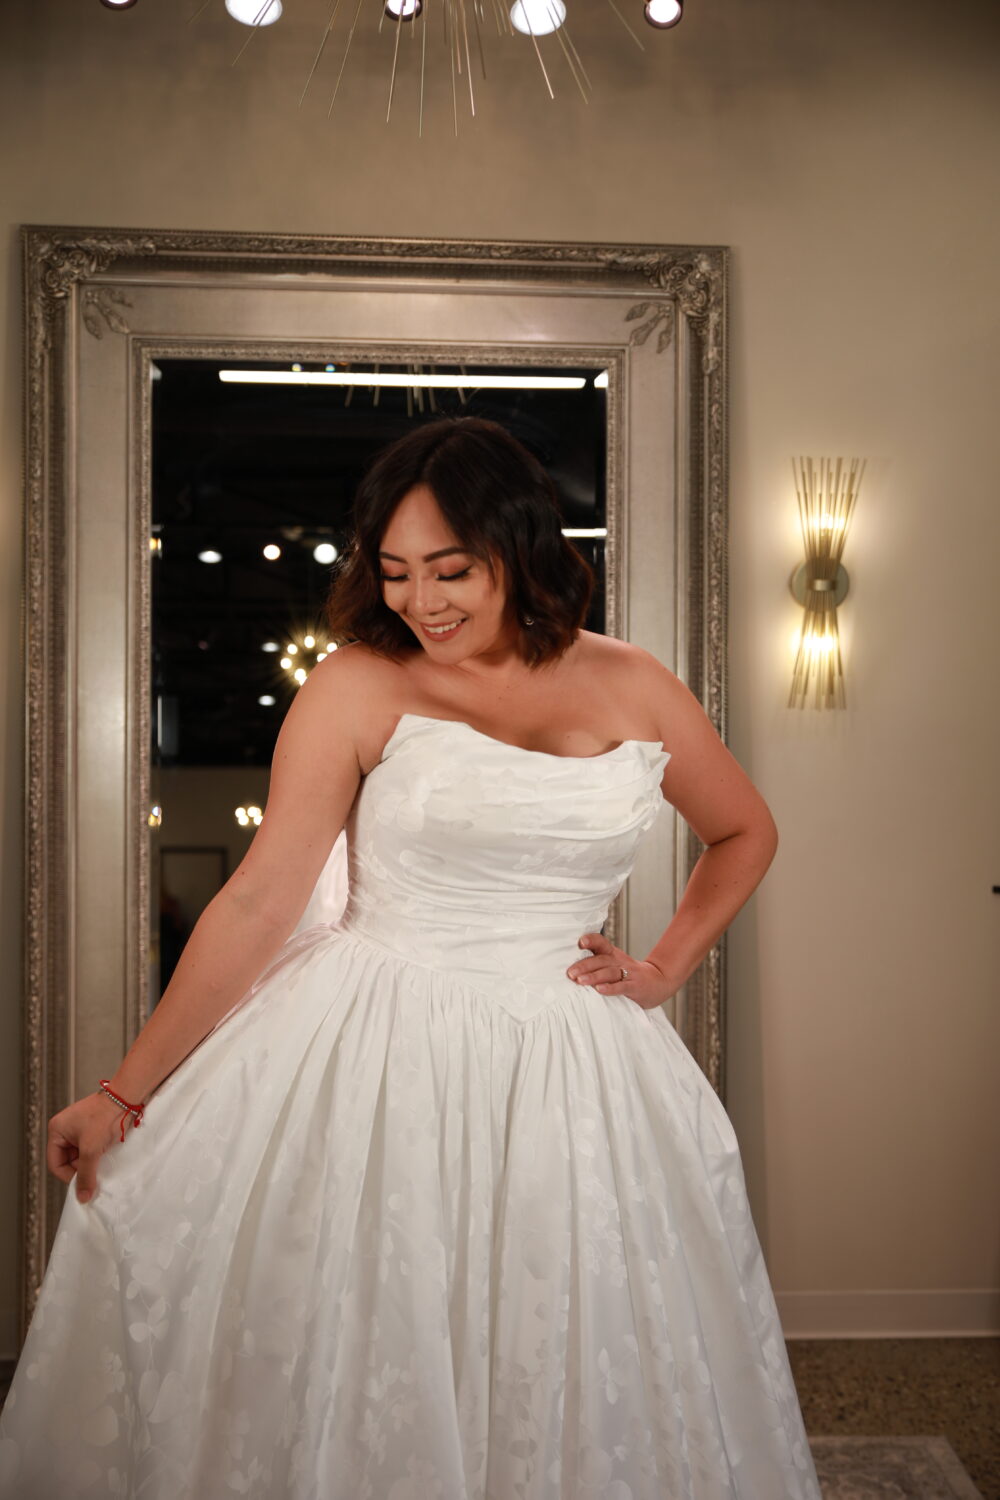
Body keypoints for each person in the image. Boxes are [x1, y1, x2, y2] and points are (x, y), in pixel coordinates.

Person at [0, 417, 821, 1499]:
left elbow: (744, 829)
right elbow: (259, 900)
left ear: (520, 548)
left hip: (574, 1072)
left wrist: (664, 968)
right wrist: (124, 1092)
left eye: (450, 569)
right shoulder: (357, 682)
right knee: (374, 1334)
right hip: (381, 1054)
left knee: (566, 1333)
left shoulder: (635, 683)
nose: (419, 601)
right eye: (393, 571)